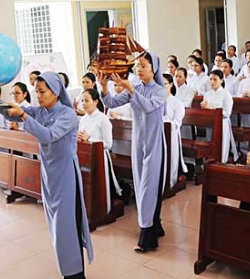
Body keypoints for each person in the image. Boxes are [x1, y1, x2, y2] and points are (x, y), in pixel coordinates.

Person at [0, 72, 93, 279]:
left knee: (66, 228)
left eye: (42, 92)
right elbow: (14, 112)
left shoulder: (68, 114)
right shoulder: (41, 111)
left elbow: (48, 135)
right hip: (49, 174)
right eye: (36, 92)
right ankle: (69, 276)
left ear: (56, 91)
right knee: (55, 228)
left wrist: (23, 114)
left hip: (65, 175)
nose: (38, 96)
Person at [100, 52, 168, 252]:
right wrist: (104, 87)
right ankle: (155, 225)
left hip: (154, 143)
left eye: (144, 66)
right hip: (138, 144)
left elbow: (147, 107)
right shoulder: (135, 87)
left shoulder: (159, 91)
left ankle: (147, 238)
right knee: (140, 185)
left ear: (153, 69)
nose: (139, 69)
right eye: (137, 65)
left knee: (149, 186)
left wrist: (131, 89)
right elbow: (111, 103)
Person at [78, 88, 121, 213]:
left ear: (96, 101)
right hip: (85, 156)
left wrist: (89, 140)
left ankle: (101, 208)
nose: (84, 104)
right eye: (82, 101)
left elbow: (108, 144)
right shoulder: (83, 119)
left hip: (100, 157)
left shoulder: (103, 119)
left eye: (86, 100)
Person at [201, 69, 239, 163]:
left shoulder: (226, 94)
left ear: (221, 80)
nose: (212, 82)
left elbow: (227, 113)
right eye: (210, 79)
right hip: (210, 123)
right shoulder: (207, 94)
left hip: (222, 124)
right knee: (210, 145)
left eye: (215, 79)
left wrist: (212, 108)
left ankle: (221, 164)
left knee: (221, 147)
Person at [162, 74, 188, 189]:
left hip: (171, 135)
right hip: (156, 135)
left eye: (164, 84)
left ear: (171, 85)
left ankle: (170, 182)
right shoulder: (156, 101)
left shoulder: (177, 103)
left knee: (170, 159)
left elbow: (177, 122)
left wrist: (166, 123)